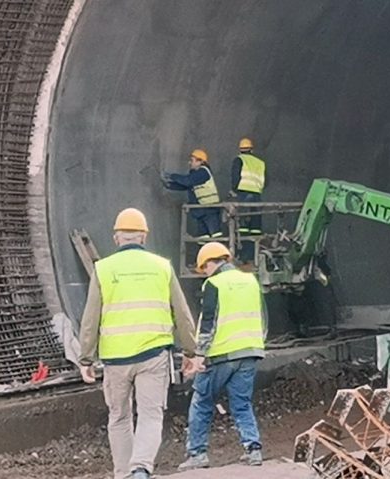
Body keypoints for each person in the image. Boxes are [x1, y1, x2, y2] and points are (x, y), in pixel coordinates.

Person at [78, 208, 199, 479]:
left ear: (116, 238)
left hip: (115, 359)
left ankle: (123, 474)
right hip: (153, 355)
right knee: (150, 415)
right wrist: (191, 351)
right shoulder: (161, 267)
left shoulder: (103, 269)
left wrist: (85, 358)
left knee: (119, 418)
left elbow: (90, 318)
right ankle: (141, 469)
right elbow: (181, 312)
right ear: (144, 236)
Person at [178, 242, 266, 471]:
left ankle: (197, 453)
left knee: (201, 401)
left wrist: (198, 356)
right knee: (242, 403)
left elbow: (208, 323)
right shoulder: (250, 280)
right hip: (250, 351)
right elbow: (262, 316)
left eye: (203, 268)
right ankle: (253, 449)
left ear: (210, 262)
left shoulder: (214, 283)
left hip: (221, 354)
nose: (203, 273)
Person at [163, 148, 222, 239]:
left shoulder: (203, 172)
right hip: (201, 211)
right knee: (203, 238)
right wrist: (169, 185)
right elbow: (186, 186)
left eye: (192, 160)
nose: (189, 163)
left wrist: (171, 176)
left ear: (200, 161)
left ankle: (219, 252)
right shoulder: (196, 174)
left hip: (210, 210)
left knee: (216, 237)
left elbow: (187, 181)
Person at [229, 138, 266, 264]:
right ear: (252, 149)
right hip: (256, 197)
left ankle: (242, 256)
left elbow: (235, 177)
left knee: (243, 228)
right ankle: (253, 256)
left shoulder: (239, 160)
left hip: (243, 196)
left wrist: (234, 190)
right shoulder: (260, 163)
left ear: (240, 149)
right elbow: (265, 181)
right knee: (255, 228)